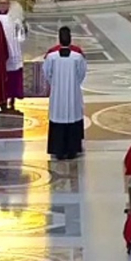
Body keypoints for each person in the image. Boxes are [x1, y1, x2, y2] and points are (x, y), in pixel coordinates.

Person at [43, 26, 86, 160]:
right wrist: (73, 83)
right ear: (70, 39)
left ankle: (58, 150)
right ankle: (72, 150)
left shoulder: (51, 57)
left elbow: (47, 73)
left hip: (57, 94)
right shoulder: (77, 57)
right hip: (73, 93)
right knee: (73, 116)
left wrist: (55, 84)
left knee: (58, 117)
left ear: (59, 40)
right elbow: (82, 74)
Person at [0, 0, 26, 111]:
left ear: (8, 4)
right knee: (0, 77)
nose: (3, 6)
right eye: (1, 3)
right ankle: (1, 99)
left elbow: (21, 36)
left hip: (13, 51)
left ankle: (12, 98)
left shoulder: (14, 17)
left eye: (5, 3)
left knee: (12, 76)